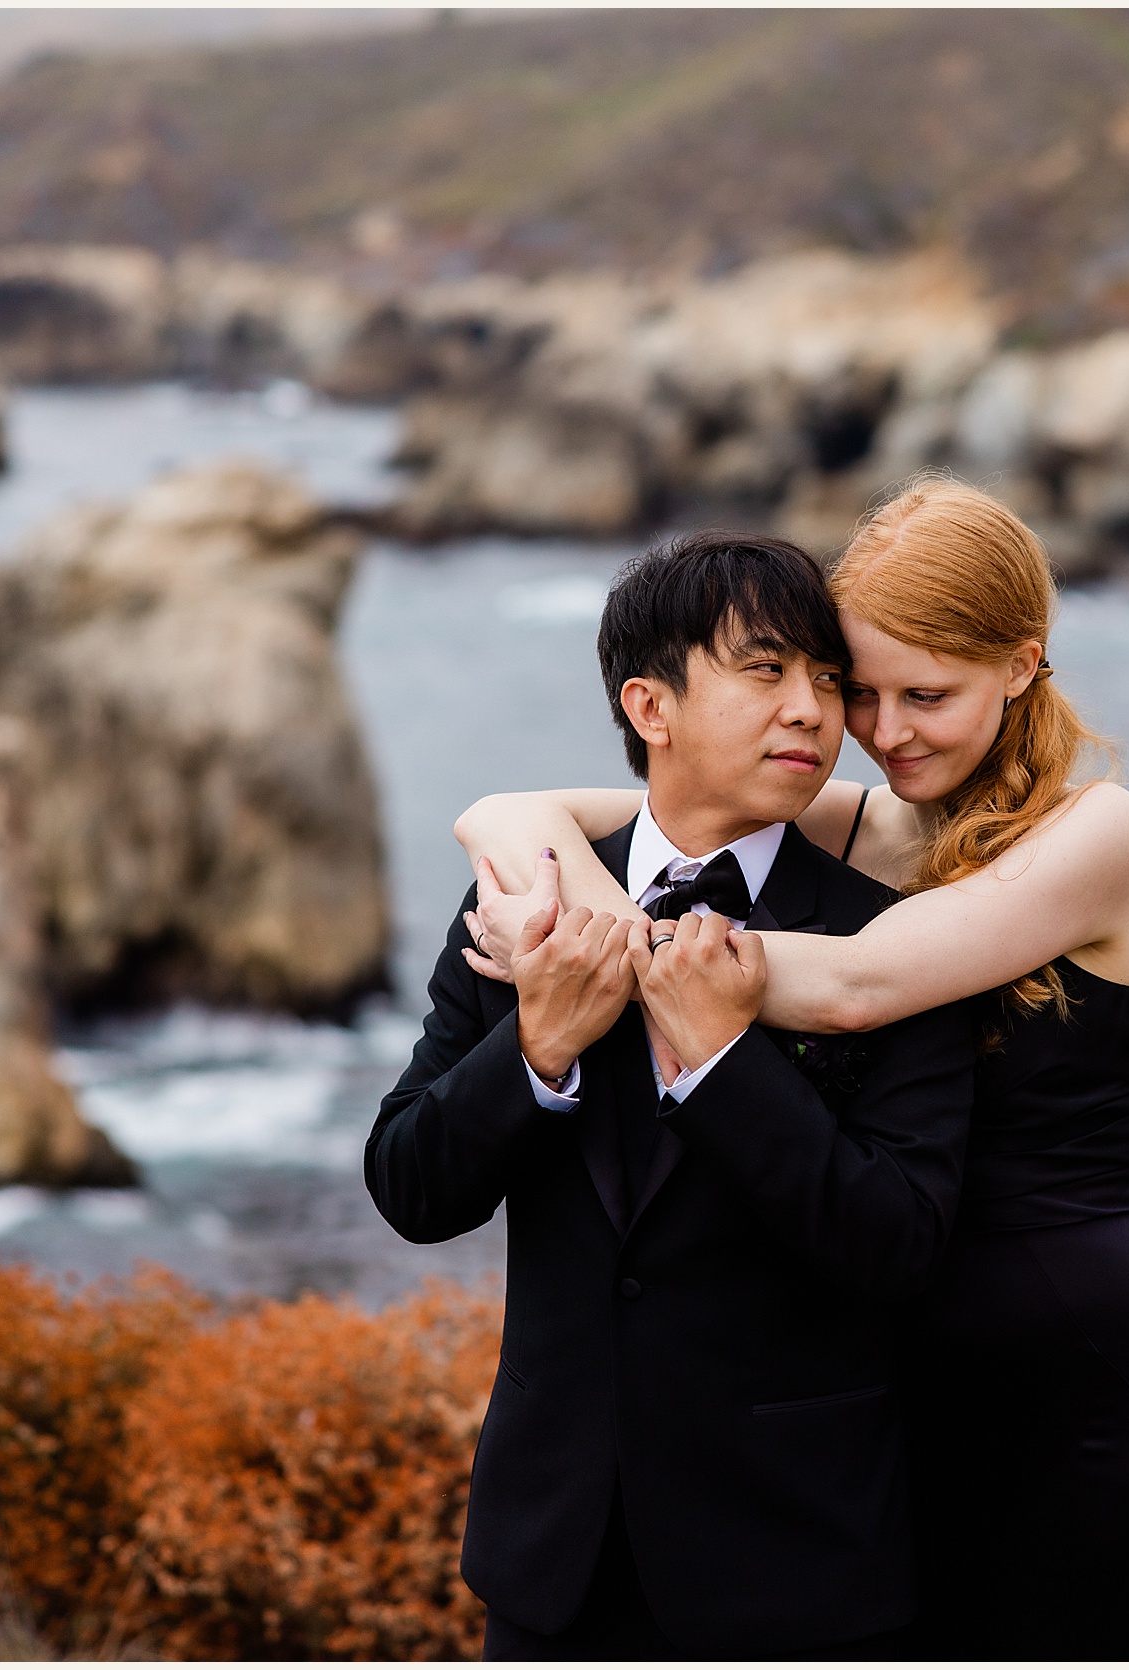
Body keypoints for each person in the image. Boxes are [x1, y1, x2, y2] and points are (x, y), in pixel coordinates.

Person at [456, 476, 1129, 1660]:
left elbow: (859, 983)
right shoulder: (868, 821)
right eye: (859, 690)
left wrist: (609, 952)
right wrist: (525, 866)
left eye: (927, 694)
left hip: (1081, 1350)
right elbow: (516, 810)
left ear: (1024, 663)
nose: (886, 732)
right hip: (899, 1351)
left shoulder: (1096, 832)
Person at [365, 530, 976, 1660]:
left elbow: (903, 1241)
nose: (811, 710)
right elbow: (408, 1182)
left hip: (794, 1562)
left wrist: (720, 1066)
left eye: (827, 678)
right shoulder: (518, 901)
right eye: (765, 669)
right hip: (554, 1554)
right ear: (648, 704)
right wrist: (537, 1046)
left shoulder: (889, 940)